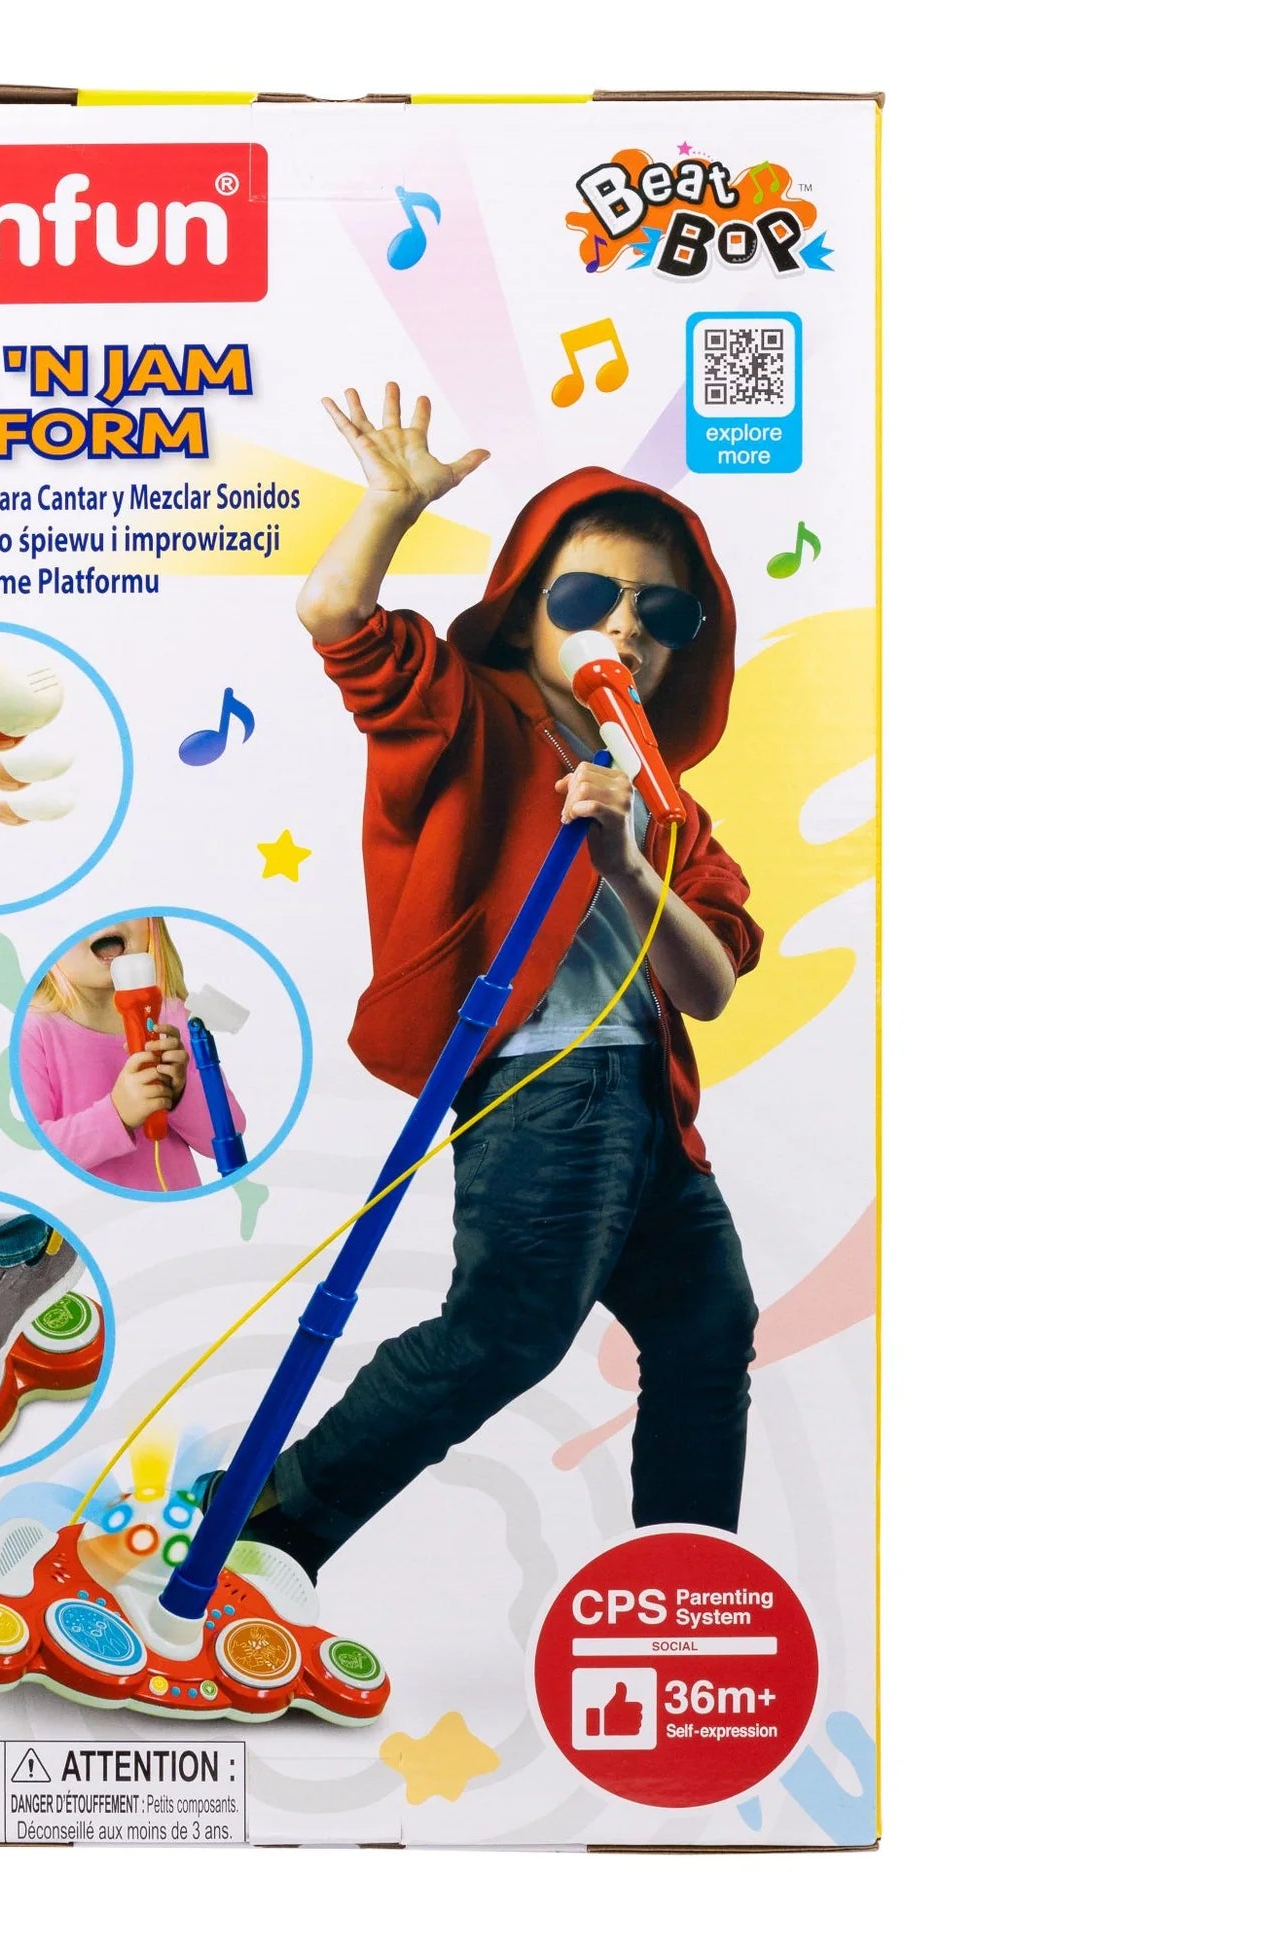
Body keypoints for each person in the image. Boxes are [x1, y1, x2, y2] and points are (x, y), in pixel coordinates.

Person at [208, 383, 763, 1578]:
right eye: (585, 599)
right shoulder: (470, 716)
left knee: (707, 1329)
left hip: (651, 1107)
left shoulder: (665, 804)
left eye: (660, 611)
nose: (623, 629)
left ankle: (685, 1581)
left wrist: (630, 862)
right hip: (542, 1085)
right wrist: (388, 506)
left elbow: (708, 982)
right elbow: (339, 619)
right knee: (503, 1332)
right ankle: (262, 1528)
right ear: (522, 617)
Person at [19, 917, 246, 1192]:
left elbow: (228, 1133)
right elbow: (31, 1157)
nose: (104, 921)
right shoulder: (33, 1032)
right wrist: (117, 1115)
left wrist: (179, 1094)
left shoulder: (176, 1017)